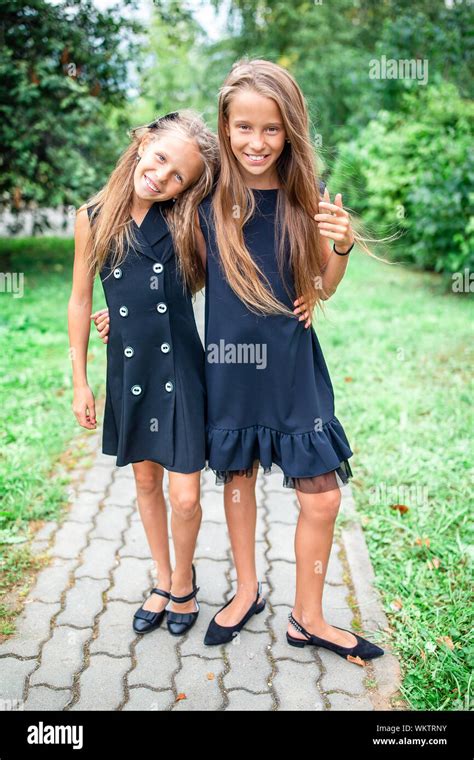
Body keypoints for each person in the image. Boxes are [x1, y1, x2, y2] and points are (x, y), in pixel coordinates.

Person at [195, 59, 384, 661]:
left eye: (271, 129)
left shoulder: (305, 199)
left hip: (292, 365)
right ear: (225, 126)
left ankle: (308, 614)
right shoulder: (209, 194)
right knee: (238, 479)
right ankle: (247, 590)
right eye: (244, 127)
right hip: (231, 366)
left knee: (322, 496)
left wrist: (342, 247)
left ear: (290, 131)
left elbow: (322, 288)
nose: (256, 142)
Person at [68, 110, 219, 637]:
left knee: (186, 495)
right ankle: (165, 579)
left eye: (177, 175)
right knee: (146, 481)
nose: (160, 175)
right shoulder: (93, 216)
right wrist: (81, 380)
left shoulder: (186, 223)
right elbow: (80, 298)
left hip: (180, 369)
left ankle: (186, 578)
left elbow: (207, 282)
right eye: (160, 158)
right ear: (142, 140)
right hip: (129, 369)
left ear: (187, 189)